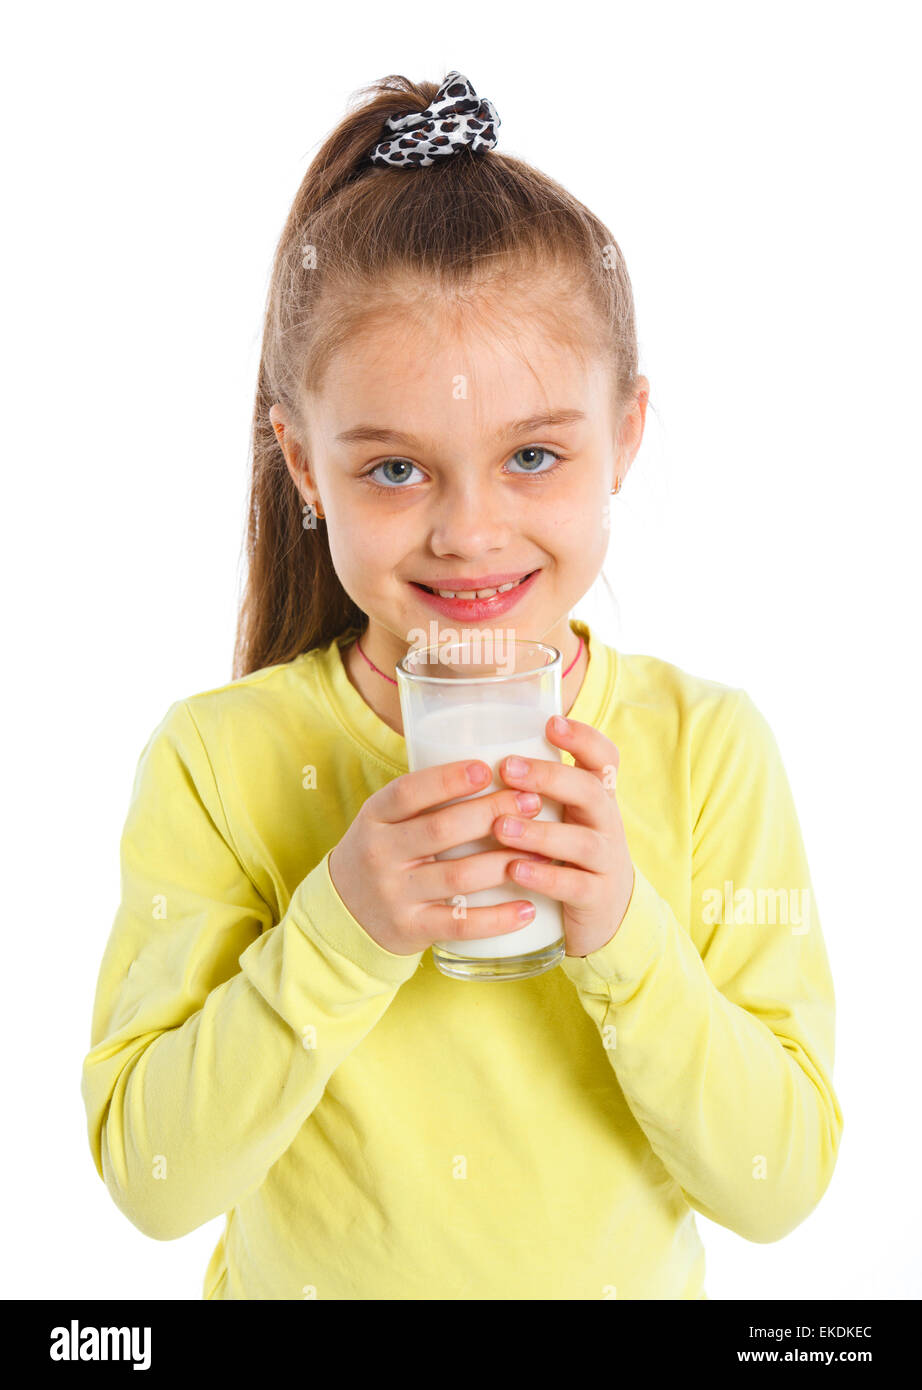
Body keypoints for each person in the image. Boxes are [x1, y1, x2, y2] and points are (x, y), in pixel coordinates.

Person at [80, 70, 843, 1300]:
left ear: (627, 435)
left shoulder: (708, 748)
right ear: (302, 464)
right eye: (394, 471)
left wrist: (623, 933)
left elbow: (781, 1184)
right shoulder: (216, 761)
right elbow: (154, 1182)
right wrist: (341, 924)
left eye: (534, 454)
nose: (471, 532)